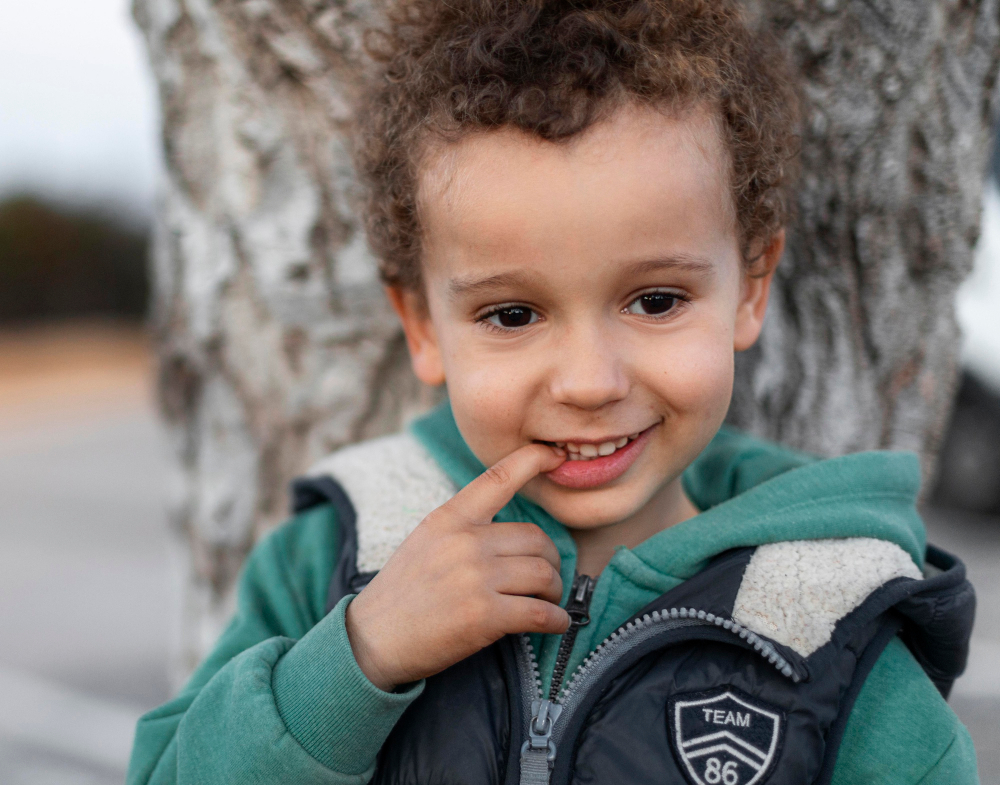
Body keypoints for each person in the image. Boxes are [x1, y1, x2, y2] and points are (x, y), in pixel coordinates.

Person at [127, 1, 979, 783]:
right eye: (512, 313)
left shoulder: (835, 636)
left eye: (655, 300)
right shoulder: (334, 561)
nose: (588, 382)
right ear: (423, 326)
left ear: (750, 290)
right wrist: (357, 659)